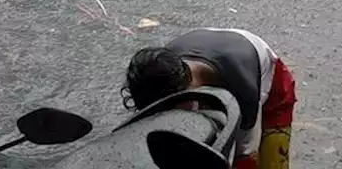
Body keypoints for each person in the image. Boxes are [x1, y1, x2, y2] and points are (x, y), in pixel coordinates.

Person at [124, 28, 296, 169]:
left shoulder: (243, 87)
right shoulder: (158, 71)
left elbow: (246, 152)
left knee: (272, 160)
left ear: (188, 87)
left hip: (269, 79)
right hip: (211, 45)